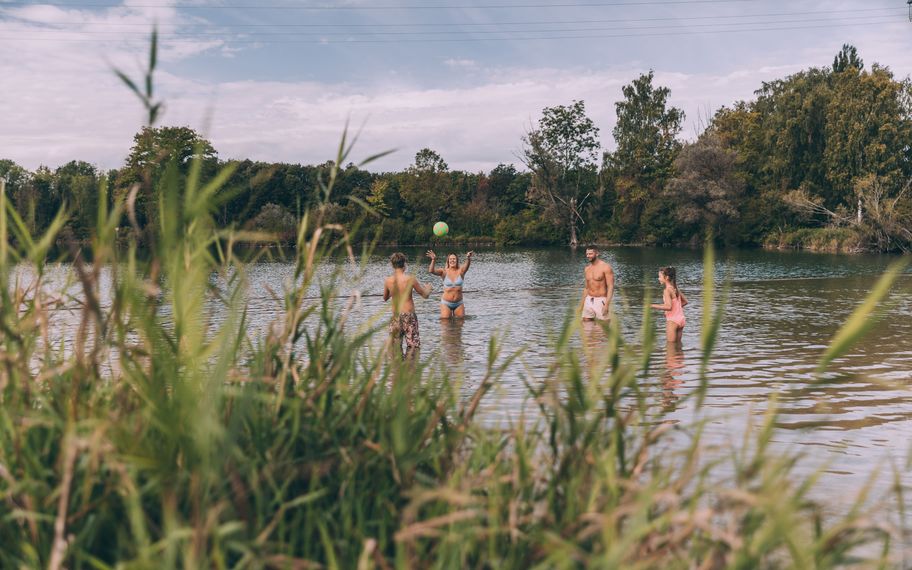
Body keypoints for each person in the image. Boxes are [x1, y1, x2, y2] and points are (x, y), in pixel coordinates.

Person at [383, 252, 431, 356]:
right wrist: (428, 288)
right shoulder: (410, 279)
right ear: (404, 264)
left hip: (395, 317)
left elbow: (385, 298)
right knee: (413, 347)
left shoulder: (388, 280)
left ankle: (397, 371)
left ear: (392, 265)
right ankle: (411, 370)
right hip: (409, 315)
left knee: (395, 348)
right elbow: (425, 295)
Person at [426, 250, 473, 319]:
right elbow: (431, 271)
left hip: (459, 303)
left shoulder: (461, 271)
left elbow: (467, 265)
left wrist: (468, 258)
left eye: (454, 259)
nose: (452, 260)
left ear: (457, 261)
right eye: (450, 259)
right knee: (445, 323)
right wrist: (433, 260)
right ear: (448, 261)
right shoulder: (443, 272)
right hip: (446, 303)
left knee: (460, 325)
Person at [651, 266, 687, 343]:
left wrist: (651, 305)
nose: (658, 278)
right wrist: (674, 310)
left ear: (666, 277)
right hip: (681, 320)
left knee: (671, 347)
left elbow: (668, 307)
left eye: (660, 276)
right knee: (678, 346)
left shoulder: (667, 290)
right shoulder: (675, 288)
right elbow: (685, 302)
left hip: (673, 321)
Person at [581, 245, 615, 321]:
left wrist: (607, 305)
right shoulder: (587, 269)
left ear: (597, 254)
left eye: (590, 254)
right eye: (587, 254)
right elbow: (586, 288)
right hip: (589, 300)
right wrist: (581, 305)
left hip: (601, 300)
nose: (588, 256)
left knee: (604, 328)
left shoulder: (606, 267)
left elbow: (611, 287)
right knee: (586, 326)